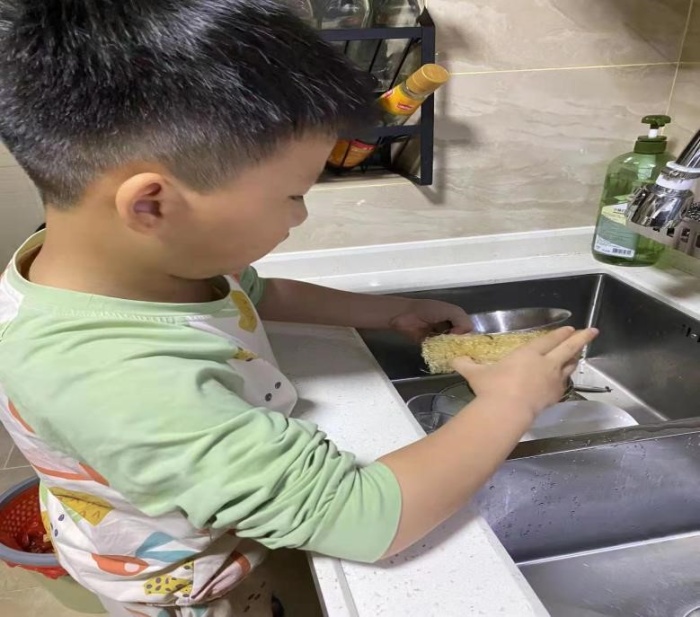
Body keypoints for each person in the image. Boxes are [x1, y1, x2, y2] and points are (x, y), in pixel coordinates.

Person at [0, 1, 598, 615]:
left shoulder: (144, 265)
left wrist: (390, 312)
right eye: (292, 195)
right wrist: (511, 401)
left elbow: (258, 295)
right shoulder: (113, 379)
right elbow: (361, 517)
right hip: (193, 584)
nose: (300, 215)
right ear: (152, 205)